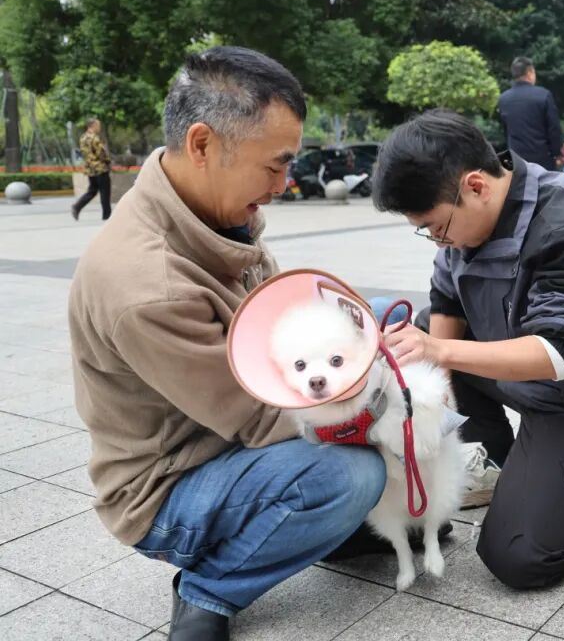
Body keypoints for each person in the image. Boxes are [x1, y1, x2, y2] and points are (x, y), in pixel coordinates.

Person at [69, 47, 387, 641]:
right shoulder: (148, 285)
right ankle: (209, 588)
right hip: (169, 489)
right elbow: (259, 417)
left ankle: (324, 531)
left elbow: (285, 327)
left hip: (224, 441)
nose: (283, 185)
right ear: (202, 144)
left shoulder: (215, 216)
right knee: (351, 475)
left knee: (382, 343)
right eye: (274, 166)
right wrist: (379, 407)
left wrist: (369, 353)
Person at [371, 110, 564, 589]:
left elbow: (559, 354)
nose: (436, 240)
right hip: (509, 365)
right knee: (423, 338)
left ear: (476, 185)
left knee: (519, 556)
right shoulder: (466, 220)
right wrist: (440, 399)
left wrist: (441, 353)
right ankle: (496, 457)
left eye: (436, 226)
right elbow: (446, 301)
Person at [497, 56, 562, 171]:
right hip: (542, 159)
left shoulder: (504, 99)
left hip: (516, 160)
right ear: (530, 73)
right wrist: (556, 153)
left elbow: (505, 130)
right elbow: (554, 128)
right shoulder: (544, 95)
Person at [72, 118, 112, 221]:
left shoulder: (83, 138)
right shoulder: (94, 138)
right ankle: (107, 215)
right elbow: (101, 153)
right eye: (98, 125)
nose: (99, 128)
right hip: (100, 168)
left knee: (92, 191)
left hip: (90, 169)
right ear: (93, 126)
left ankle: (77, 206)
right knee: (105, 192)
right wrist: (108, 161)